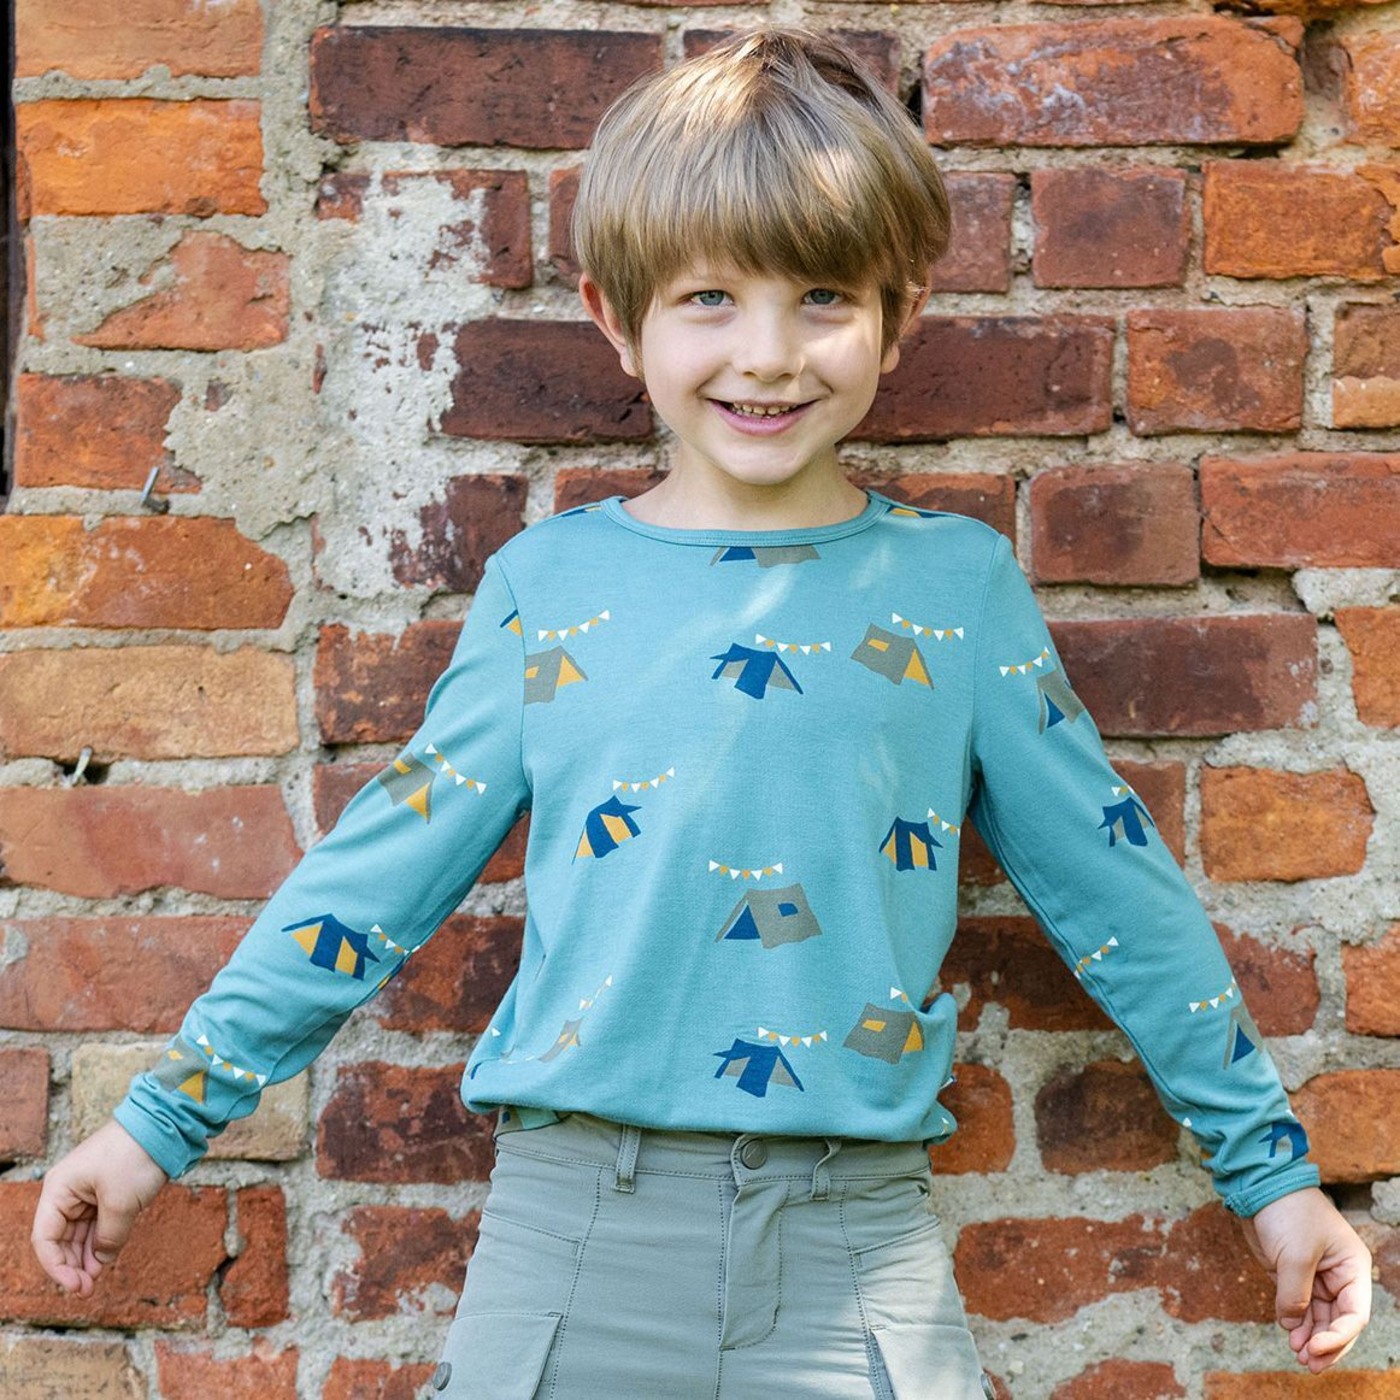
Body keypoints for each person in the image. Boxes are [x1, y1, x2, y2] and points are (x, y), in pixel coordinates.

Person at [33, 27, 1370, 1398]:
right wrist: (156, 1126)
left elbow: (1117, 892)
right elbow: (373, 878)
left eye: (823, 296)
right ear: (618, 317)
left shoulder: (955, 592)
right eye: (711, 298)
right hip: (571, 1251)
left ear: (900, 313)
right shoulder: (550, 588)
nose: (769, 354)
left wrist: (1273, 1181)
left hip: (858, 1260)